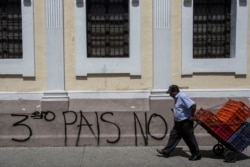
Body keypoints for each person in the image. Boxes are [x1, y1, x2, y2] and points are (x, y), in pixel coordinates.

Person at [156, 85, 201, 161]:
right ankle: (166, 152)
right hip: (178, 123)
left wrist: (191, 116)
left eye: (170, 93)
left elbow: (193, 105)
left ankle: (196, 154)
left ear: (174, 91)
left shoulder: (182, 96)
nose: (170, 95)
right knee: (173, 136)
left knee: (189, 138)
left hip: (185, 122)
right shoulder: (176, 98)